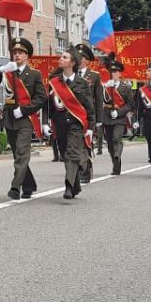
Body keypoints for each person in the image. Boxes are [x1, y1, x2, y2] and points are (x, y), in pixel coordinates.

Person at [0, 37, 46, 200]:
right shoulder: (7, 73)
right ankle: (29, 185)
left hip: (25, 119)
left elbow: (41, 98)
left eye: (20, 53)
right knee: (18, 155)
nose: (17, 55)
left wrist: (24, 110)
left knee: (22, 153)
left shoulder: (34, 74)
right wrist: (3, 68)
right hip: (9, 118)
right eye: (15, 52)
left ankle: (15, 187)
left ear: (27, 56)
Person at [47, 49, 94, 199]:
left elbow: (89, 106)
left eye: (64, 57)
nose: (60, 59)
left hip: (76, 124)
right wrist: (45, 123)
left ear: (72, 63)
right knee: (65, 155)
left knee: (71, 153)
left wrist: (91, 127)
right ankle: (75, 186)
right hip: (59, 124)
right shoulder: (54, 82)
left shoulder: (82, 83)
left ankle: (68, 185)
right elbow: (47, 105)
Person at [72, 44, 103, 182]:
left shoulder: (94, 76)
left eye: (81, 57)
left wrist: (98, 119)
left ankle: (85, 170)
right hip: (73, 115)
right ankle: (81, 168)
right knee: (75, 143)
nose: (79, 59)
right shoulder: (70, 75)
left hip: (87, 115)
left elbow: (98, 99)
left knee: (85, 143)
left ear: (86, 60)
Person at [101, 56, 133, 175]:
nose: (113, 74)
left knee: (116, 138)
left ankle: (117, 156)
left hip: (119, 118)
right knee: (109, 142)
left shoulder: (125, 87)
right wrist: (105, 88)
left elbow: (130, 105)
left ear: (119, 73)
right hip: (107, 116)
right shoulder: (105, 86)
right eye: (111, 72)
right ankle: (116, 164)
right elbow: (100, 100)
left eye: (115, 72)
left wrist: (119, 112)